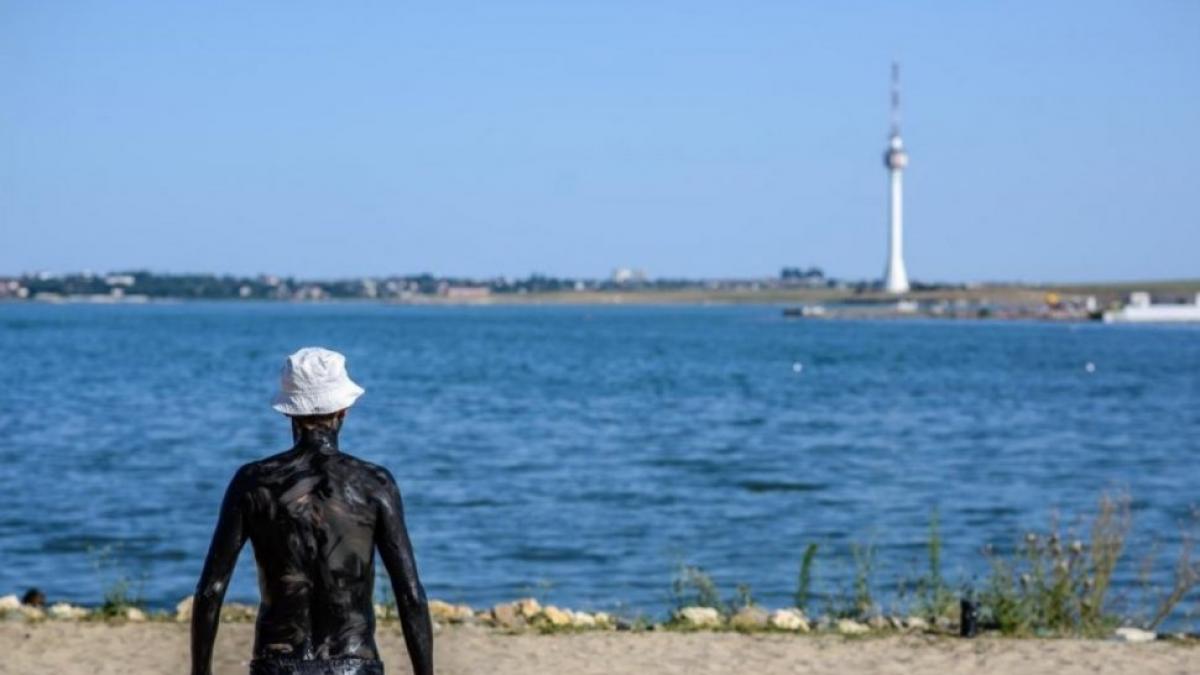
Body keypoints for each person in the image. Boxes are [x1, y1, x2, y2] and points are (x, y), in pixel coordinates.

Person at [191, 347, 433, 675]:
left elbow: (211, 590)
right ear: (344, 409)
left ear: (288, 412)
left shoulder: (253, 481)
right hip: (354, 663)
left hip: (278, 665)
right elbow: (410, 594)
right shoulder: (374, 483)